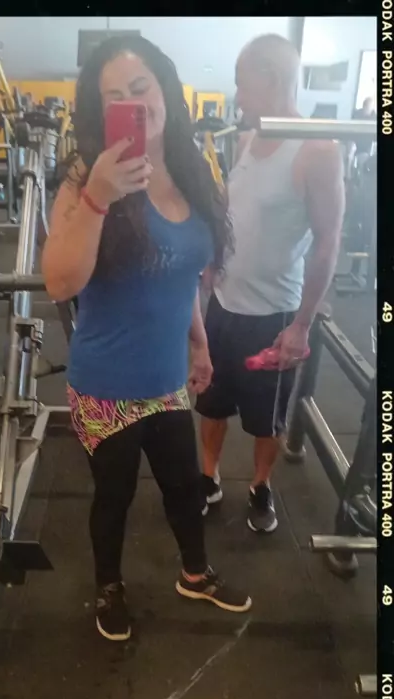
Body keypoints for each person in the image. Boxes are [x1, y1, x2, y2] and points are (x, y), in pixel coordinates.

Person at [42, 34, 252, 641]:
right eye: (114, 96)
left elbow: (181, 275)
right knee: (114, 495)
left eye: (140, 88)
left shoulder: (189, 170)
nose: (132, 102)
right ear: (99, 108)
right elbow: (59, 282)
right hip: (105, 383)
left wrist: (199, 342)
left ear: (165, 91)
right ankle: (109, 587)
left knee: (184, 486)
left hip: (165, 379)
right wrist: (99, 197)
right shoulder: (85, 176)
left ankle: (195, 573)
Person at [196, 34, 345, 533]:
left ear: (273, 80)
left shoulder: (317, 150)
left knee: (268, 419)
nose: (238, 96)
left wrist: (302, 324)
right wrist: (214, 260)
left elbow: (327, 242)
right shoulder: (246, 139)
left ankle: (260, 486)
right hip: (224, 305)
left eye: (243, 84)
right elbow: (232, 212)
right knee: (211, 402)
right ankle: (209, 476)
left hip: (274, 314)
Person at [349, 96, 376, 175]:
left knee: (363, 160)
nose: (366, 110)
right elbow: (351, 129)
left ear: (371, 108)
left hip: (367, 145)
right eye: (365, 107)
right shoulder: (357, 114)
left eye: (368, 108)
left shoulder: (374, 118)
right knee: (349, 155)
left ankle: (361, 175)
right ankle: (348, 176)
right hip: (355, 141)